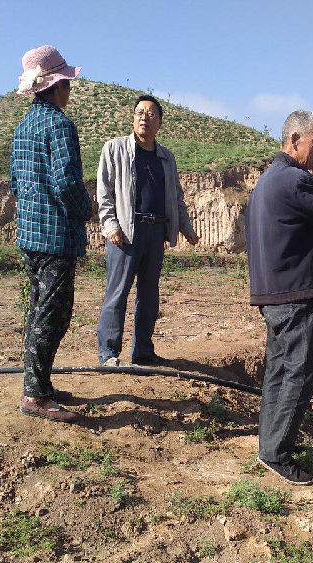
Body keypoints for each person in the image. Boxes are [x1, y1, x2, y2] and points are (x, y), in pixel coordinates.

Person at [245, 110, 313, 485]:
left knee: (279, 370)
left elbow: (283, 232)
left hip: (273, 291)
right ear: (294, 139)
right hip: (291, 292)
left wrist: (312, 240)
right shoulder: (295, 179)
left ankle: (271, 445)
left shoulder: (268, 180)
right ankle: (277, 453)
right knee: (300, 372)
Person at [10, 45, 93, 423]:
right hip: (55, 238)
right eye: (67, 84)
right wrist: (87, 209)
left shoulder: (24, 127)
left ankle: (39, 385)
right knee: (53, 316)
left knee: (38, 310)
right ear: (56, 86)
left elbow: (15, 182)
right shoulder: (59, 125)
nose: (69, 90)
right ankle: (34, 395)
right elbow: (67, 183)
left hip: (30, 235)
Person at [96, 95, 199, 367]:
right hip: (126, 232)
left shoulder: (166, 157)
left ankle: (143, 351)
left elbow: (176, 196)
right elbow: (104, 193)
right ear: (133, 118)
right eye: (140, 112)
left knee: (149, 295)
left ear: (160, 123)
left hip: (155, 232)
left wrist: (186, 228)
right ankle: (108, 354)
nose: (144, 118)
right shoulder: (115, 149)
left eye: (151, 114)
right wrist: (111, 225)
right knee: (117, 293)